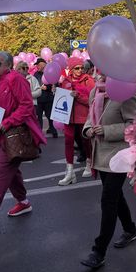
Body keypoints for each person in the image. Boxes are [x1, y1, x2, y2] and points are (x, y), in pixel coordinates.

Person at [0, 52, 46, 229]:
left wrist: (8, 122)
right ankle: (24, 202)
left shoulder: (15, 79)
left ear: (8, 65)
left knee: (0, 171)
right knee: (12, 173)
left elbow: (26, 106)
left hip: (13, 134)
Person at [80, 73, 136, 269]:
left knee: (108, 199)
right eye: (99, 70)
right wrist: (88, 130)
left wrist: (107, 130)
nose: (100, 74)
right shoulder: (95, 92)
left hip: (119, 155)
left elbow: (135, 125)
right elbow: (91, 118)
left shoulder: (124, 93)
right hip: (101, 154)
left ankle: (99, 251)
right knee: (115, 196)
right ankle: (130, 229)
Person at [58, 56, 95, 185]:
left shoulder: (88, 80)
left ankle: (89, 162)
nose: (80, 70)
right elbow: (62, 98)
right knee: (68, 142)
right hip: (68, 117)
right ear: (71, 69)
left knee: (86, 141)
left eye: (82, 68)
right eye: (77, 68)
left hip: (83, 116)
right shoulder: (66, 81)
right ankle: (69, 172)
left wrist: (78, 96)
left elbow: (92, 101)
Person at [33, 58, 58, 138]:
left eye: (38, 65)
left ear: (42, 64)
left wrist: (47, 88)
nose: (37, 66)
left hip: (48, 99)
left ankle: (53, 130)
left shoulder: (49, 72)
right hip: (39, 99)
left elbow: (54, 83)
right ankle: (39, 133)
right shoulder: (35, 74)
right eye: (36, 65)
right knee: (39, 117)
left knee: (50, 116)